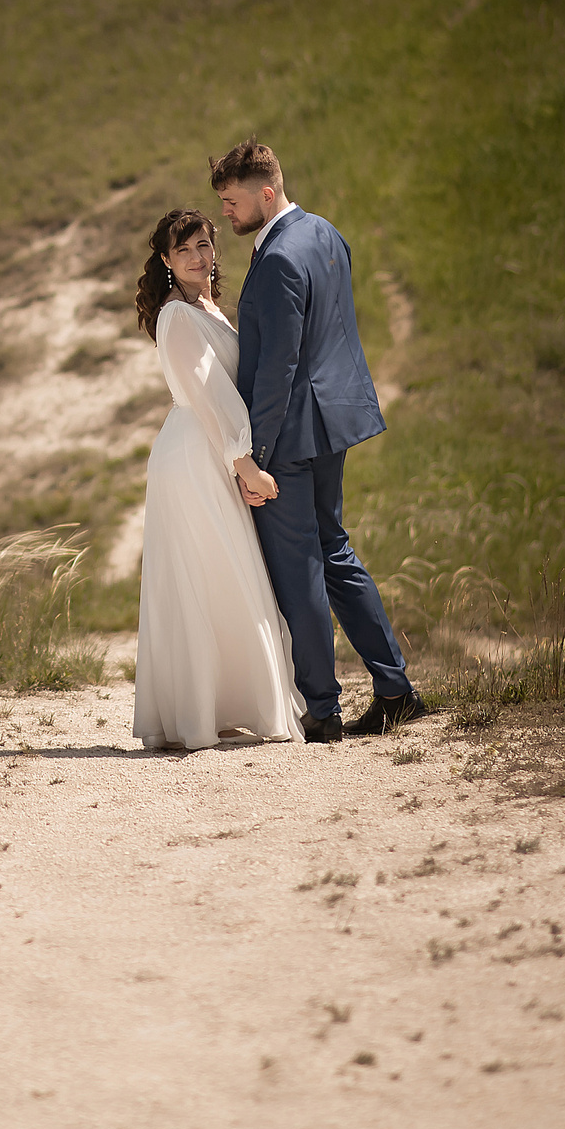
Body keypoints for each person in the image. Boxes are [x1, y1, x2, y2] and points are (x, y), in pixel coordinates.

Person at [213, 140, 421, 742]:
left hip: (292, 434)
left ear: (267, 193)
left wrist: (258, 455)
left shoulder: (276, 258)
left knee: (300, 566)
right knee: (334, 551)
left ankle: (323, 711)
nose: (226, 212)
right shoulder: (325, 233)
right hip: (334, 424)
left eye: (232, 200)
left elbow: (277, 366)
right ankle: (395, 688)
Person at [128, 208, 306, 751]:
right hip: (195, 452)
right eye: (184, 251)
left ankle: (223, 703)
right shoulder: (176, 316)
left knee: (224, 575)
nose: (200, 257)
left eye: (205, 245)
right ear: (166, 261)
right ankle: (198, 711)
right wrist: (243, 461)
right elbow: (211, 395)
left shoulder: (207, 308)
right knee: (211, 574)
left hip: (210, 447)